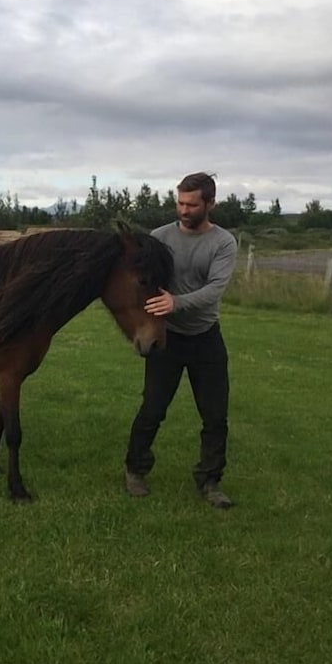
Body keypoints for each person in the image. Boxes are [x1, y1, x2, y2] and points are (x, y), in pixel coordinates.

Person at [124, 172, 238, 508]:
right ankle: (135, 470)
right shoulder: (159, 237)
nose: (184, 210)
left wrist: (177, 302)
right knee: (152, 408)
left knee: (215, 415)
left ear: (210, 204)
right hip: (167, 338)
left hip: (205, 339)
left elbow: (214, 290)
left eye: (191, 204)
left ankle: (211, 481)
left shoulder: (223, 243)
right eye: (180, 202)